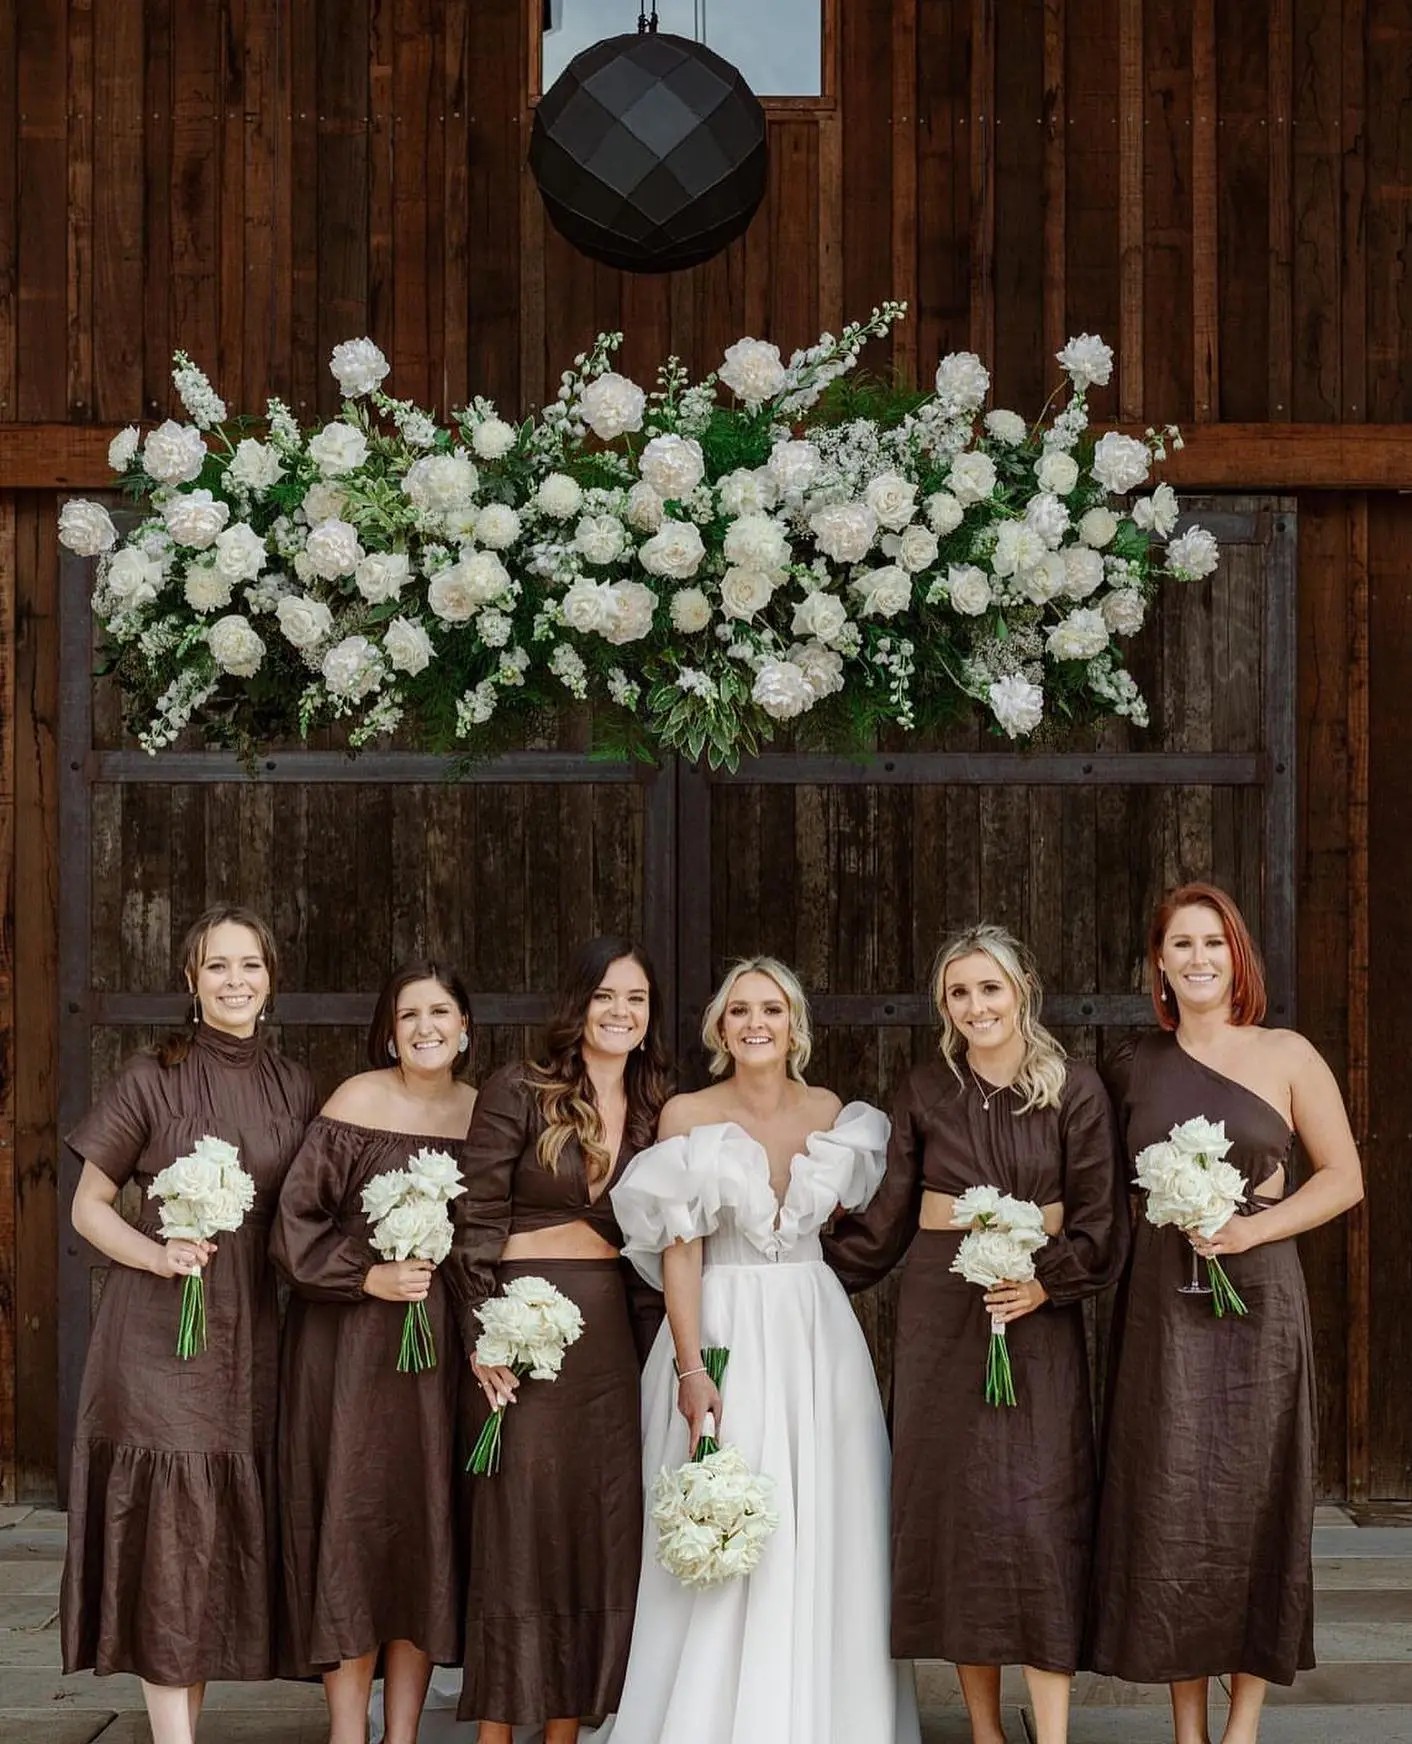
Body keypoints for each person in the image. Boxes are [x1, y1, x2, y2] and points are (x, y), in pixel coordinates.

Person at [596, 956, 920, 1744]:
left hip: (816, 1334)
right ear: (719, 1028)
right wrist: (690, 1365)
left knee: (827, 1516)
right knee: (718, 1519)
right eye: (738, 1011)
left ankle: (825, 1717)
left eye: (770, 1010)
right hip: (722, 1327)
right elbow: (680, 1250)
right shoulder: (687, 1116)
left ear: (794, 1024)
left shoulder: (832, 1112)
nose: (754, 1024)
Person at [824, 923, 1127, 1744]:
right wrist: (793, 1263)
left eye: (989, 988)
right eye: (959, 992)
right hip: (943, 1318)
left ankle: (1053, 1730)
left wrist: (1045, 1283)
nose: (975, 1005)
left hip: (1036, 1316)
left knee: (1038, 1515)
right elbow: (887, 1214)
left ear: (1022, 988)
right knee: (958, 1515)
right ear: (944, 1005)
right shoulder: (924, 1088)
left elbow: (1100, 1218)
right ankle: (987, 1730)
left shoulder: (1078, 1090)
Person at [1089, 882, 1363, 1744]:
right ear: (1158, 965)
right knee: (1170, 1504)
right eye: (1182, 945)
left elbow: (1344, 1179)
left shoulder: (1288, 1053)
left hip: (1261, 1310)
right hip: (1161, 1312)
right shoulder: (1130, 1064)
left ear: (1236, 957)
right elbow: (1098, 1189)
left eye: (1214, 943)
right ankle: (1188, 1727)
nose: (1199, 958)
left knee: (1255, 1504)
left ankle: (1241, 1727)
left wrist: (1252, 1230)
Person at [61, 906, 317, 1744]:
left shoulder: (294, 1086)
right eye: (217, 967)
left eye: (249, 965)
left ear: (270, 978)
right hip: (156, 1339)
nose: (234, 981)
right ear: (191, 981)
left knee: (205, 1550)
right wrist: (156, 1253)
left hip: (249, 1339)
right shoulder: (151, 1077)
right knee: (170, 1539)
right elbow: (88, 1208)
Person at [443, 937, 671, 1744]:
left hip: (612, 1334)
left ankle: (567, 1729)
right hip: (524, 1325)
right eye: (606, 995)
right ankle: (499, 1731)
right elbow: (476, 1213)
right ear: (578, 1006)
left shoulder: (661, 1106)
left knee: (593, 1523)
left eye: (636, 999)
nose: (620, 1012)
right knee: (521, 1519)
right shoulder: (518, 1088)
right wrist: (483, 1329)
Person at [272, 961, 477, 1744]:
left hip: (438, 1361)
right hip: (352, 1351)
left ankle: (404, 1735)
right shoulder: (355, 1102)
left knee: (421, 1527)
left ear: (466, 1026)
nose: (425, 1026)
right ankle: (346, 1733)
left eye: (440, 1011)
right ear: (388, 1031)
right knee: (355, 1525)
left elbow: (492, 1238)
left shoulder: (482, 1112)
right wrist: (370, 1276)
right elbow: (293, 1229)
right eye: (407, 1014)